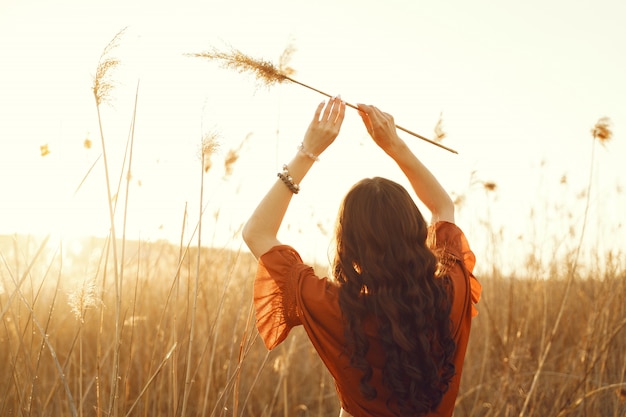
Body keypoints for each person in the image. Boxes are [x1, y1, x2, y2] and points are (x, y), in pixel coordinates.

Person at [242, 97, 481, 417]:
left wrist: (307, 153)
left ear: (348, 243)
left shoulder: (338, 308)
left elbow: (256, 232)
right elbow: (442, 206)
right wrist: (394, 145)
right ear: (415, 229)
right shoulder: (452, 289)